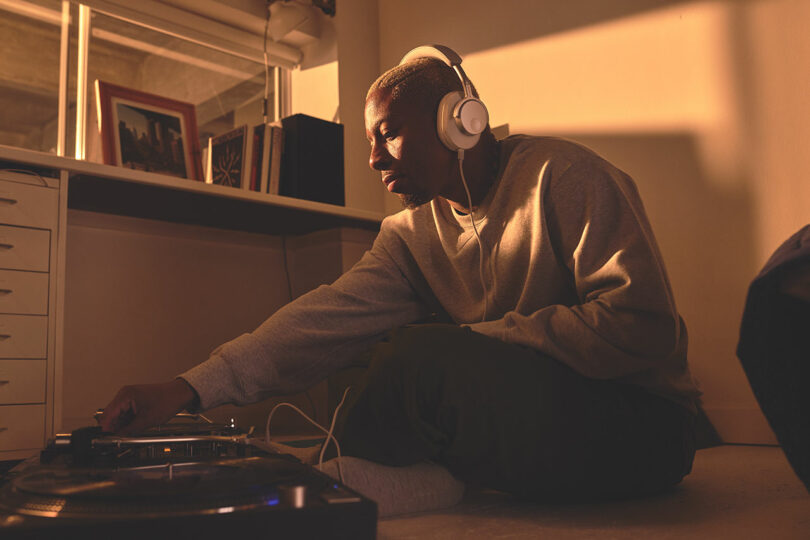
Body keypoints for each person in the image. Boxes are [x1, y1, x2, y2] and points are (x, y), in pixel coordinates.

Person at [101, 45, 700, 513]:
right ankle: (349, 478)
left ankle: (364, 481)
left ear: (458, 122)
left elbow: (642, 328)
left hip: (642, 427)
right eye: (370, 141)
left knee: (425, 356)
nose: (373, 158)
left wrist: (486, 339)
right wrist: (185, 388)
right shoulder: (409, 234)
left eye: (387, 132)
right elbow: (319, 325)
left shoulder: (566, 178)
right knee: (395, 356)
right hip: (536, 425)